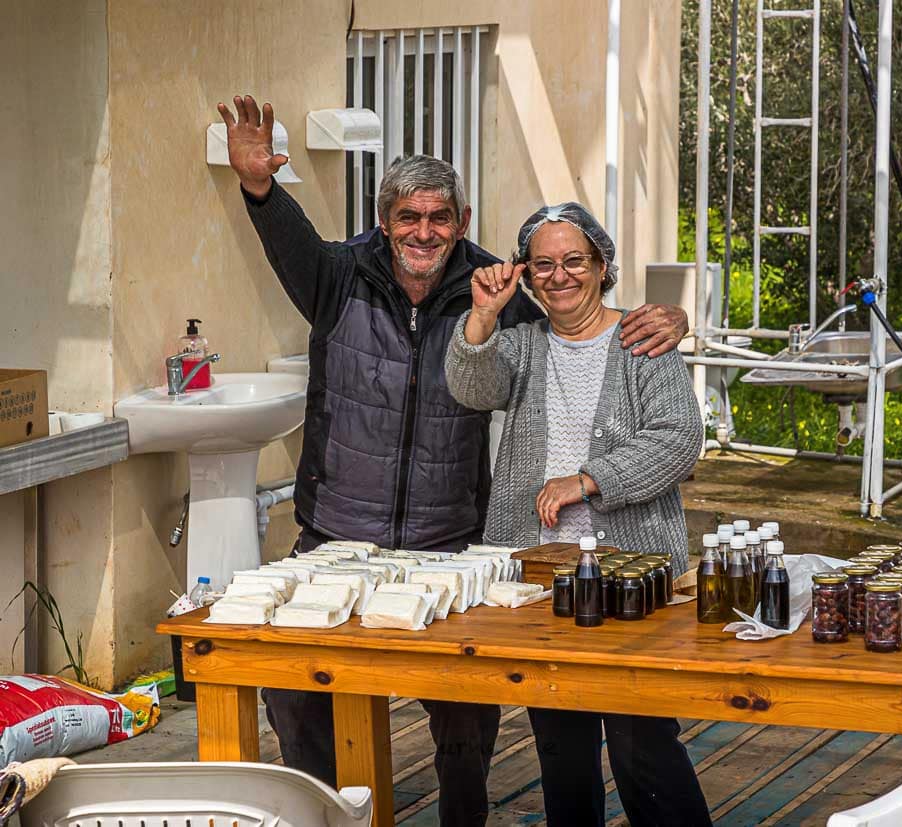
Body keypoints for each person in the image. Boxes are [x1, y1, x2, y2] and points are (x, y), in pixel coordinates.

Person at [215, 95, 690, 826]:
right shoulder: (339, 277)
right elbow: (292, 242)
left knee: (466, 727)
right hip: (337, 535)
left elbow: (576, 318)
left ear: (462, 223)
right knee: (299, 700)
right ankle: (332, 814)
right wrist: (259, 187)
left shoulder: (500, 290)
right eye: (409, 217)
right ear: (385, 221)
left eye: (440, 217)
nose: (424, 231)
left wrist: (663, 319)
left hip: (451, 543)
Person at [445, 202, 711, 826]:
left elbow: (678, 439)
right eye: (544, 265)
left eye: (574, 261)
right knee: (560, 743)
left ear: (601, 265)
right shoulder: (520, 345)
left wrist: (588, 481)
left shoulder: (644, 339)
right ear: (527, 277)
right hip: (540, 577)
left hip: (633, 573)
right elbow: (470, 387)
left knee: (640, 738)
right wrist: (482, 314)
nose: (559, 276)